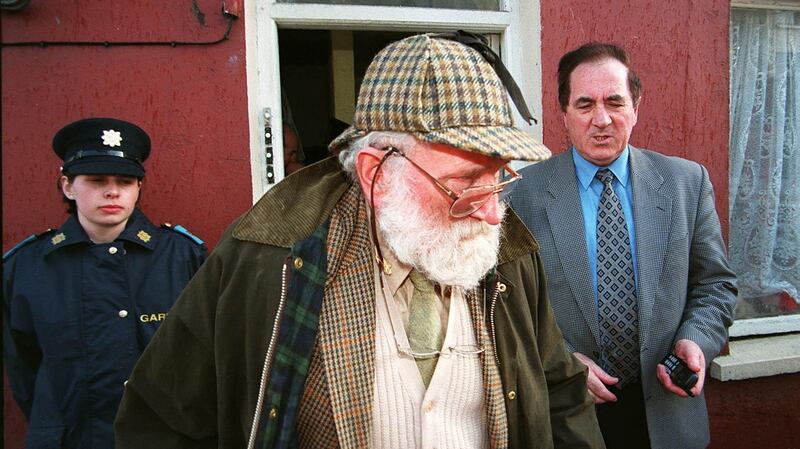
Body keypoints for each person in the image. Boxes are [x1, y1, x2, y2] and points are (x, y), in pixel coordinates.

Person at [114, 33, 605, 449]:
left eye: (498, 177)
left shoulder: (508, 252)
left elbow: (561, 394)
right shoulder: (269, 258)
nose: (493, 212)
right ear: (376, 174)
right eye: (463, 184)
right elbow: (160, 420)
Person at [507, 43, 737, 449]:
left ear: (636, 107)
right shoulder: (519, 197)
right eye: (585, 104)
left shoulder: (687, 183)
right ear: (563, 113)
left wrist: (695, 339)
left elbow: (715, 285)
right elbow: (509, 310)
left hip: (668, 414)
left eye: (614, 102)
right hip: (567, 418)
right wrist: (560, 362)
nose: (602, 119)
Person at [3, 117, 208, 449]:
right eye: (96, 180)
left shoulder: (183, 258)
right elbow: (23, 368)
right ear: (68, 186)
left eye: (125, 181)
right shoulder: (26, 268)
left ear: (138, 187)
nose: (112, 191)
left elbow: (204, 359)